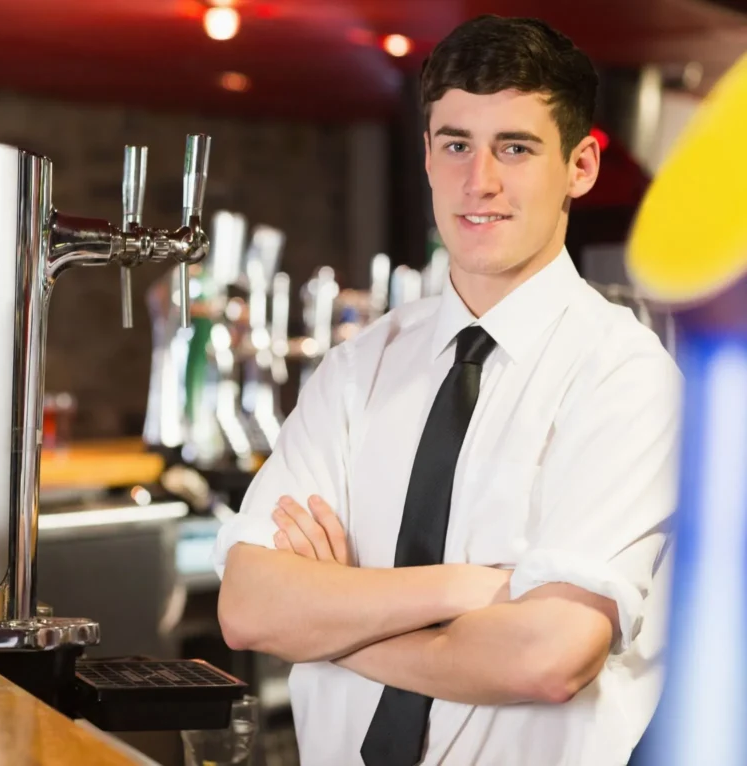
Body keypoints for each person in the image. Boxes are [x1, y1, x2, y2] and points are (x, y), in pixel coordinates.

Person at [212, 14, 681, 766]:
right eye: (456, 144)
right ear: (427, 155)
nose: (479, 181)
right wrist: (472, 588)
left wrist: (337, 623)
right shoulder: (356, 371)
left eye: (516, 148)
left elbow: (546, 656)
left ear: (582, 167)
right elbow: (248, 608)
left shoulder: (625, 379)